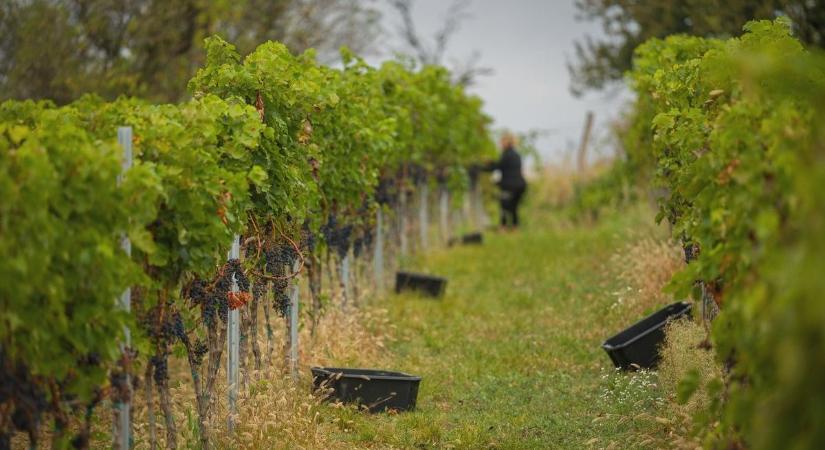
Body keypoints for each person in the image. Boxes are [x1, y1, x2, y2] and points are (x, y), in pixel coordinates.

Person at [483, 133, 527, 229]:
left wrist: (483, 166)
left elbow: (498, 167)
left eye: (502, 142)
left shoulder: (506, 154)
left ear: (507, 142)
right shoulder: (516, 154)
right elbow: (503, 166)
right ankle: (515, 227)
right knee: (514, 207)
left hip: (510, 185)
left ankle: (503, 227)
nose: (500, 144)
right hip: (520, 185)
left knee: (504, 206)